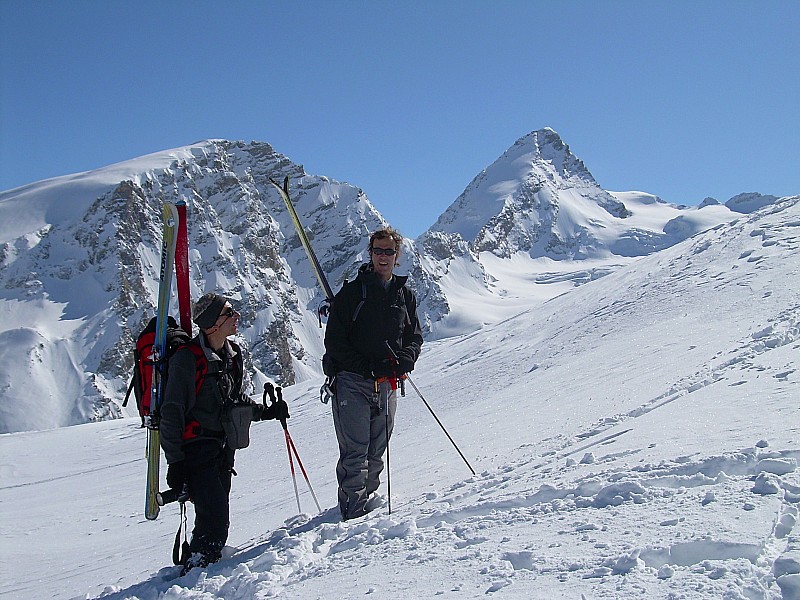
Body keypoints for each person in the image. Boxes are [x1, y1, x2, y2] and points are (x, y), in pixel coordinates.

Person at [159, 292, 288, 574]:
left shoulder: (232, 354)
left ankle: (199, 570)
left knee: (216, 514)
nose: (236, 316)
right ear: (212, 324)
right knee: (214, 518)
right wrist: (176, 463)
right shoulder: (186, 360)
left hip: (223, 446)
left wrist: (264, 412)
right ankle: (196, 573)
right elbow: (171, 413)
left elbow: (235, 400)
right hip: (196, 449)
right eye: (229, 312)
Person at [323, 227, 424, 520]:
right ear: (370, 253)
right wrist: (367, 367)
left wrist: (407, 358)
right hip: (352, 382)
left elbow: (414, 337)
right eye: (378, 251)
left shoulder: (405, 295)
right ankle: (353, 513)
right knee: (355, 452)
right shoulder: (353, 293)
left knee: (377, 450)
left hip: (389, 384)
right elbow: (335, 343)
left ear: (397, 256)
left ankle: (368, 504)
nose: (383, 257)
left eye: (389, 251)